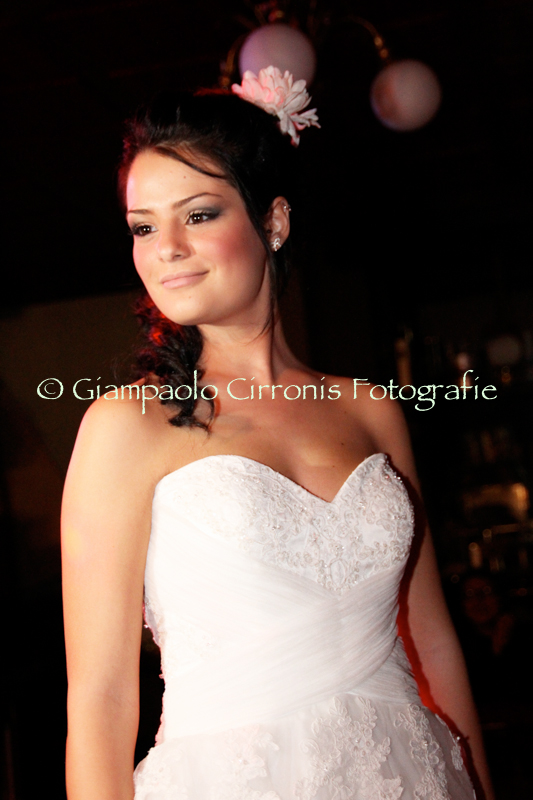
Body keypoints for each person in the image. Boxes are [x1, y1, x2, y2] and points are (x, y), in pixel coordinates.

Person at [61, 67, 494, 800]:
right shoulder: (125, 426)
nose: (166, 247)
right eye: (143, 226)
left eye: (198, 215)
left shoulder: (370, 410)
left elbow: (432, 642)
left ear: (273, 222)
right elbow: (100, 700)